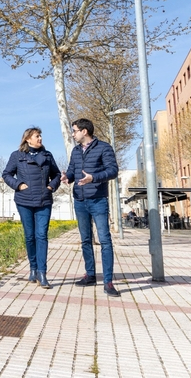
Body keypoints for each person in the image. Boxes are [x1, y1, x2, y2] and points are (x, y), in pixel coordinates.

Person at [61, 118, 121, 297]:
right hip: (80, 200)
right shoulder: (75, 151)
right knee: (85, 240)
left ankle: (108, 282)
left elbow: (113, 171)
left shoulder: (104, 148)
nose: (73, 134)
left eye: (74, 131)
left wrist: (93, 178)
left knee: (105, 240)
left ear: (84, 131)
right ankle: (90, 275)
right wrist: (67, 177)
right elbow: (72, 171)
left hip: (98, 200)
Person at [2, 126, 61, 289]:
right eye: (37, 136)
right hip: (24, 201)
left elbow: (56, 175)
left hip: (44, 200)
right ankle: (33, 268)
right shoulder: (17, 155)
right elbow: (6, 174)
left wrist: (51, 187)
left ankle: (42, 272)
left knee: (41, 235)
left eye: (40, 135)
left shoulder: (47, 156)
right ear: (28, 139)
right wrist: (18, 185)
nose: (40, 138)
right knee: (30, 236)